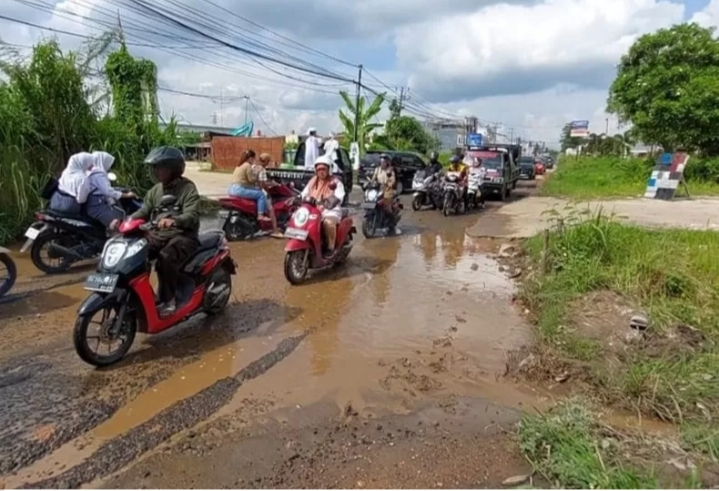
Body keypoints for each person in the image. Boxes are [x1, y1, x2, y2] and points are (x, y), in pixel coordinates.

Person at [130, 146, 200, 317]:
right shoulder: (156, 190)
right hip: (158, 234)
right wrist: (127, 220)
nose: (157, 171)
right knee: (135, 253)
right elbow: (144, 210)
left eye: (162, 167)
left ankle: (169, 300)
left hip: (183, 235)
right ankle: (144, 297)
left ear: (174, 169)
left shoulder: (188, 188)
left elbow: (192, 214)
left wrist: (174, 220)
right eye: (156, 168)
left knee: (165, 257)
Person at [300, 154, 345, 254]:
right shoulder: (312, 181)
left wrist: (329, 202)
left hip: (330, 211)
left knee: (327, 223)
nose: (321, 171)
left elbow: (338, 196)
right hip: (312, 210)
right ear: (315, 170)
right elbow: (304, 193)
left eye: (324, 169)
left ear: (329, 170)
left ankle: (330, 247)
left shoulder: (336, 182)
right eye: (319, 169)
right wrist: (296, 198)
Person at [86, 151, 135, 229]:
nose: (109, 167)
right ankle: (116, 238)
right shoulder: (98, 175)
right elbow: (108, 191)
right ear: (102, 161)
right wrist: (127, 195)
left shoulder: (89, 172)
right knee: (118, 219)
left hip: (93, 203)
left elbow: (100, 189)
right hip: (98, 205)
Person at [228, 150, 270, 222]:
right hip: (239, 189)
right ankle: (260, 215)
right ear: (250, 158)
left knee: (256, 191)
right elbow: (251, 180)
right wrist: (257, 175)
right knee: (261, 194)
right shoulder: (247, 165)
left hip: (231, 188)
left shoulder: (239, 165)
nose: (254, 161)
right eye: (254, 159)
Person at [255, 153, 283, 238]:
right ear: (266, 161)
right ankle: (275, 230)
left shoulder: (254, 167)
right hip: (259, 191)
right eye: (268, 161)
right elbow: (262, 184)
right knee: (271, 209)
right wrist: (273, 183)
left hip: (251, 189)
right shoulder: (262, 170)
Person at [371, 154, 397, 218]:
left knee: (387, 205)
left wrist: (389, 184)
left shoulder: (390, 170)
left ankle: (391, 219)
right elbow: (373, 178)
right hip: (378, 189)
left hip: (387, 189)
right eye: (381, 162)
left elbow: (393, 180)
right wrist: (371, 182)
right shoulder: (377, 169)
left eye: (384, 162)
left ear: (387, 163)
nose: (382, 163)